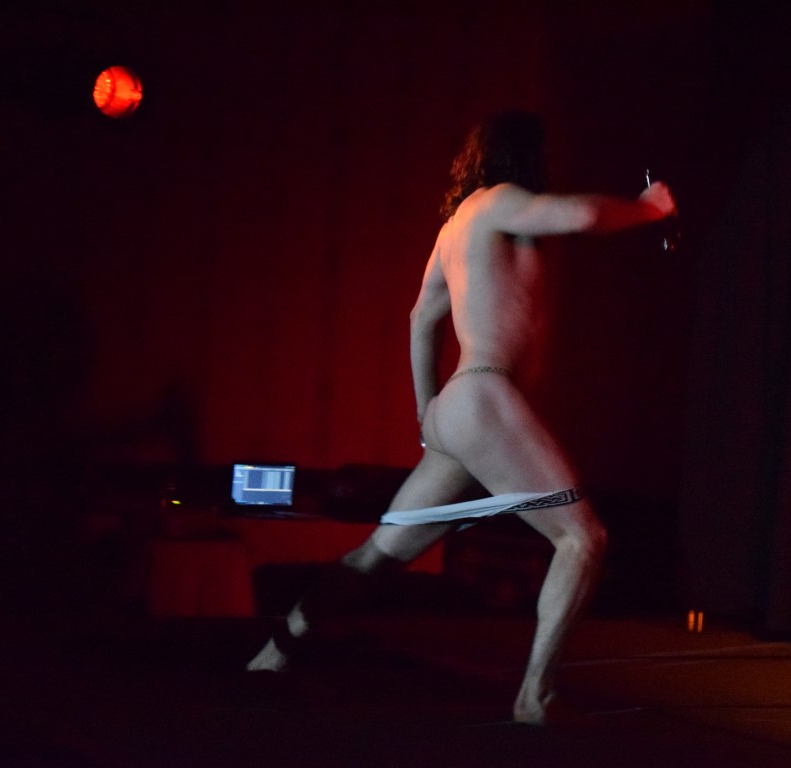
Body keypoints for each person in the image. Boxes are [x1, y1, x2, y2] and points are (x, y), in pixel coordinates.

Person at [247, 111, 677, 726]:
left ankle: (273, 654)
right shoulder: (499, 201)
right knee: (584, 539)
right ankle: (535, 697)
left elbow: (421, 318)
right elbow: (584, 215)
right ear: (525, 156)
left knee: (377, 555)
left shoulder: (455, 227)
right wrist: (647, 209)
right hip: (482, 398)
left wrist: (428, 413)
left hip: (461, 407)